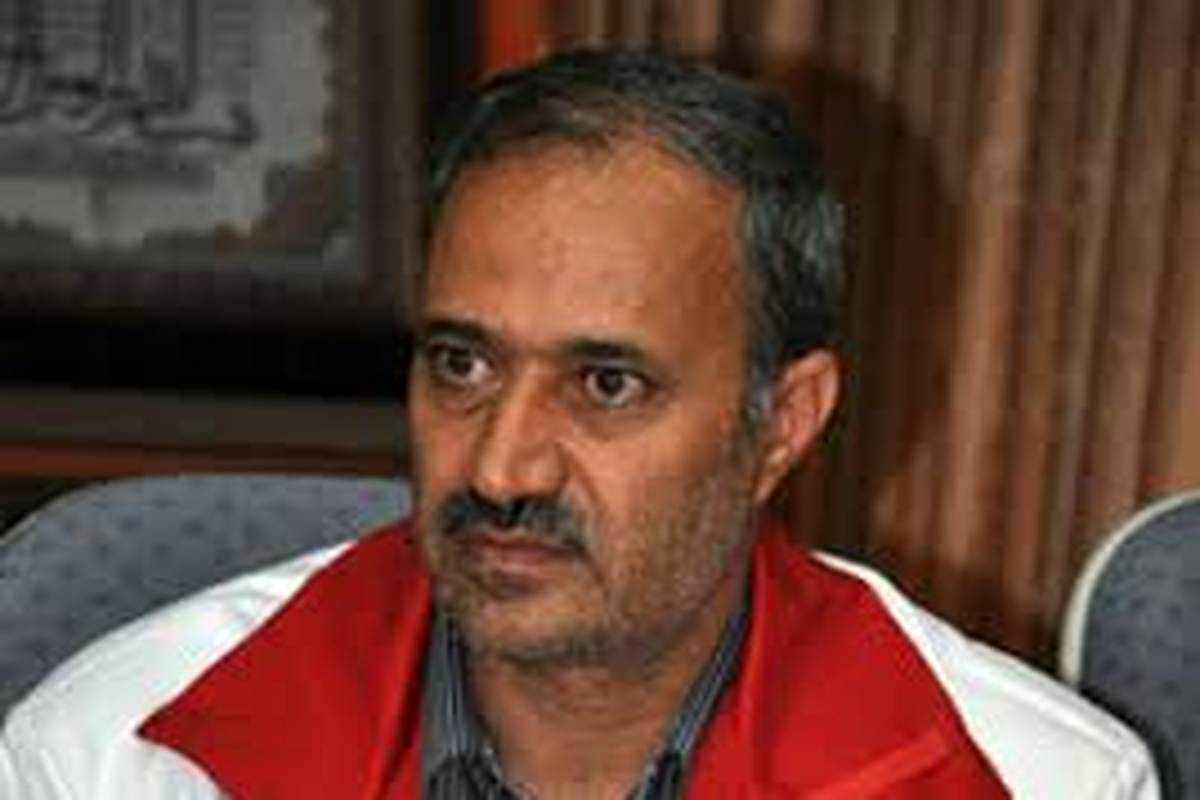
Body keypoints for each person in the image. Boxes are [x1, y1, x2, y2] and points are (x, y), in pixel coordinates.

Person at [0, 48, 1157, 799]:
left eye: (607, 383)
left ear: (783, 421)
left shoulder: (1041, 780)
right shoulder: (108, 754)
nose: (502, 465)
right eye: (461, 363)